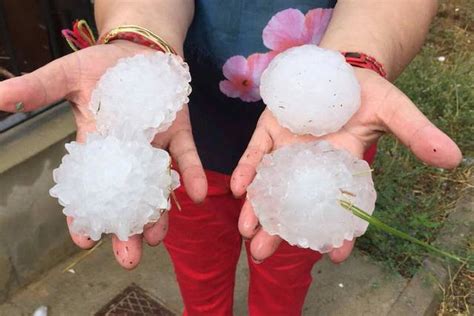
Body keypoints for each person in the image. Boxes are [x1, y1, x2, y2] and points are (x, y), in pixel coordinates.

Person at [0, 1, 462, 315]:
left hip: (324, 143)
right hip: (187, 143)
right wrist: (141, 36)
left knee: (286, 267)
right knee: (198, 271)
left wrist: (358, 60)